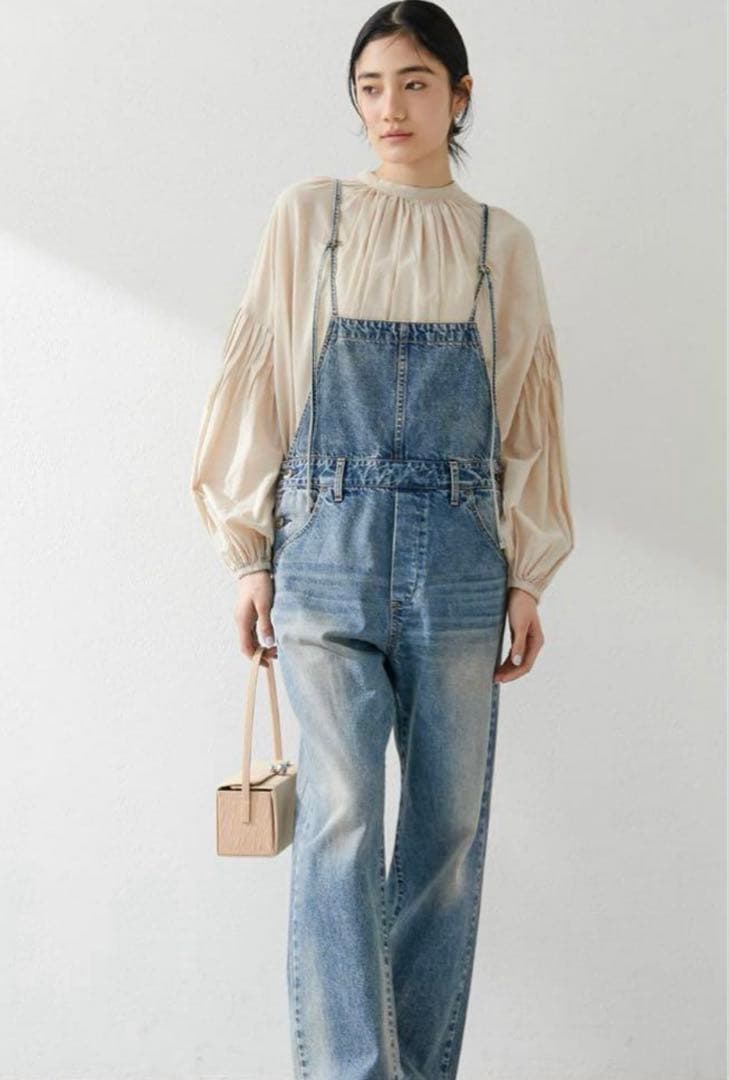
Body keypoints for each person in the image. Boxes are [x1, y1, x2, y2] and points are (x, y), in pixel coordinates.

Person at [190, 3, 575, 1076]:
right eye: (369, 86)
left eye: (414, 83)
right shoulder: (309, 216)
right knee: (343, 821)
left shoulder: (502, 242)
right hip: (324, 552)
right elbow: (259, 380)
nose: (389, 107)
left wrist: (530, 574)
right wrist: (248, 556)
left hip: (462, 564)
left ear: (459, 95)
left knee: (446, 836)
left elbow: (527, 418)